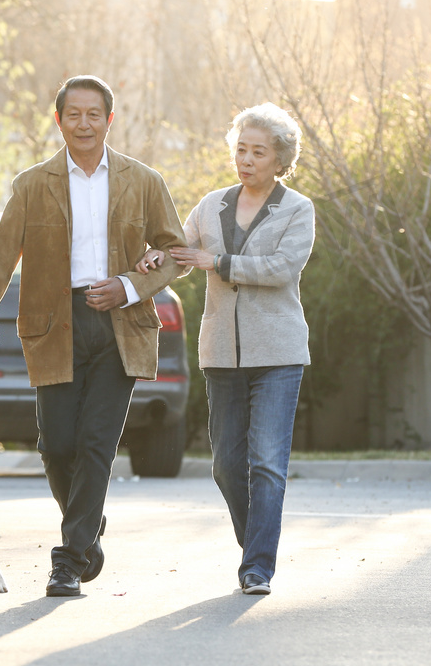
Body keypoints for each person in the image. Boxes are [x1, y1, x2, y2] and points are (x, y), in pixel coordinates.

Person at [0, 75, 186, 598]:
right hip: (54, 327)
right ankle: (87, 525)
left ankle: (69, 560)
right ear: (59, 121)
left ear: (109, 120)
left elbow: (174, 250)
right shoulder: (34, 184)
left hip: (120, 325)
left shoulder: (143, 180)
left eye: (93, 114)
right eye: (73, 114)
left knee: (97, 444)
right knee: (56, 446)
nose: (83, 123)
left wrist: (128, 285)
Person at [138, 102, 314, 595]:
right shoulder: (212, 203)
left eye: (259, 152)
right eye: (241, 149)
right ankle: (256, 542)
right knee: (226, 465)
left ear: (280, 160)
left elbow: (282, 268)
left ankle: (257, 565)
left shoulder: (298, 208)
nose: (248, 159)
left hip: (277, 352)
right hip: (221, 351)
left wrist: (215, 260)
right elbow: (182, 252)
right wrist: (156, 257)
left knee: (266, 462)